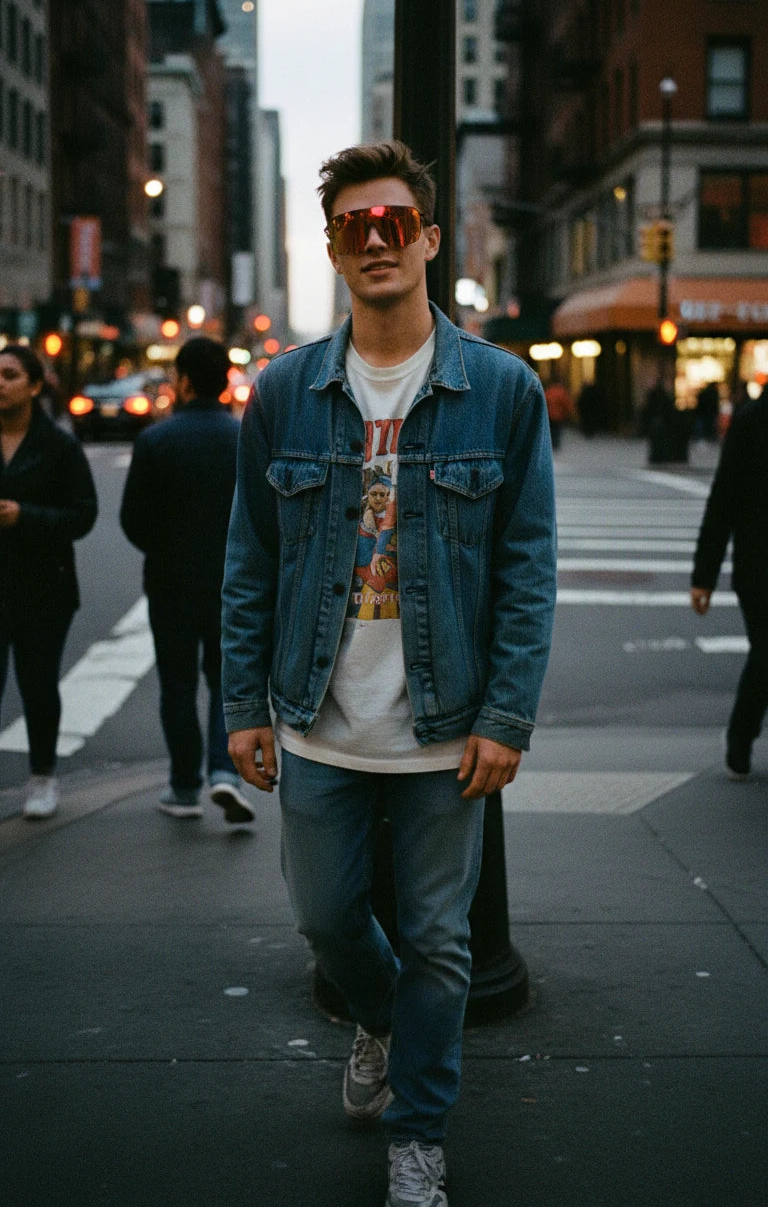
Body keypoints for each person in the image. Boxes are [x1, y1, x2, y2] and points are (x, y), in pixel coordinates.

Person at [221, 141, 557, 1207]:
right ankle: (376, 1018)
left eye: (394, 223)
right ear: (331, 246)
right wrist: (242, 708)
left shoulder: (499, 389)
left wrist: (506, 715)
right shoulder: (285, 389)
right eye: (354, 226)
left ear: (427, 239)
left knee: (444, 948)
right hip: (318, 719)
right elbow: (248, 562)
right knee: (327, 922)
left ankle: (419, 1129)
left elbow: (527, 565)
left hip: (445, 728)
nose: (376, 240)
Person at [120, 337, 253, 823]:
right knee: (225, 679)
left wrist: (164, 548)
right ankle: (225, 771)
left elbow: (133, 519)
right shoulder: (243, 437)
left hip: (170, 580)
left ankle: (182, 786)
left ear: (184, 380)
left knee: (176, 683)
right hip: (231, 582)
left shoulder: (156, 440)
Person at [0, 344, 97, 819]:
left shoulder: (58, 446)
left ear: (35, 387)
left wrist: (25, 516)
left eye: (10, 375)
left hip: (44, 586)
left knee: (38, 684)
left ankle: (42, 777)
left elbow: (84, 516)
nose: (0, 383)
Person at [691, 384, 768, 780]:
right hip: (760, 568)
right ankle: (741, 734)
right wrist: (704, 575)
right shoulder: (752, 421)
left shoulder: (750, 419)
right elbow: (724, 499)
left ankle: (742, 734)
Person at [543, 373, 574, 450]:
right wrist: (570, 412)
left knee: (551, 430)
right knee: (557, 430)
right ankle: (556, 443)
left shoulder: (549, 391)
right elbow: (566, 403)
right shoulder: (561, 391)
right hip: (559, 415)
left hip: (549, 414)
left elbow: (544, 402)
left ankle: (552, 443)